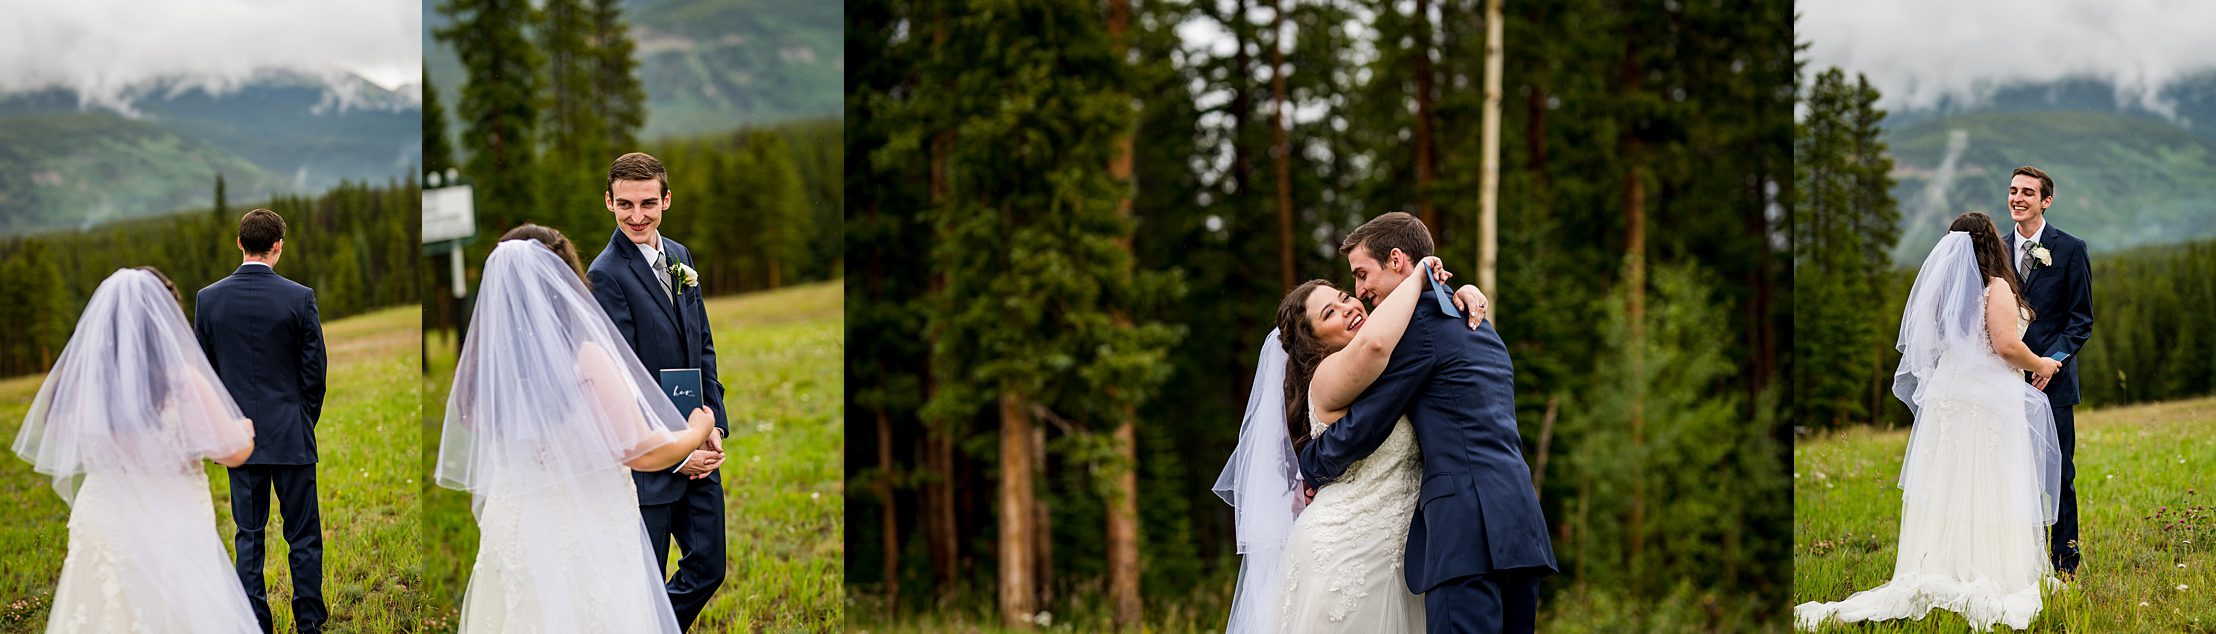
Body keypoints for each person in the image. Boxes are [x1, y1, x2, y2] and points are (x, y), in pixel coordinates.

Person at [437, 228, 718, 633]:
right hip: (586, 528)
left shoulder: (490, 369)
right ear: (563, 280)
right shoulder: (585, 358)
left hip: (519, 529)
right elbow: (641, 451)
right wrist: (696, 430)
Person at [1794, 211, 2064, 631]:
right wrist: (2042, 361)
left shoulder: (1943, 293)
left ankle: (1937, 563)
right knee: (1988, 482)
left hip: (1949, 395)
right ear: (1993, 243)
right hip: (1987, 400)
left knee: (1949, 484)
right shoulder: (1996, 289)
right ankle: (1989, 570)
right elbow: (2008, 347)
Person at [14, 267, 261, 633]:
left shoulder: (83, 386)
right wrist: (244, 430)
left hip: (105, 517)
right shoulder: (180, 382)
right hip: (172, 518)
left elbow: (67, 440)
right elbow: (233, 452)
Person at [584, 152, 730, 630]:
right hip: (651, 463)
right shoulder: (605, 275)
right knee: (643, 578)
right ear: (609, 202)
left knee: (708, 566)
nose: (637, 215)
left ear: (666, 199)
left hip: (699, 438)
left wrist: (714, 428)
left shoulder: (681, 258)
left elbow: (701, 345)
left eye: (648, 202)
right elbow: (619, 379)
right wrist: (674, 451)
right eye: (625, 204)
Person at [195, 208, 329, 634]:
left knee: (249, 537)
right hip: (292, 435)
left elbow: (207, 375)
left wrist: (226, 428)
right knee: (304, 537)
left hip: (239, 440)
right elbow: (315, 374)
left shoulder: (208, 299)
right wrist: (302, 419)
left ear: (240, 243)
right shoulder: (299, 296)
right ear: (278, 247)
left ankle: (254, 624)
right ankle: (309, 623)